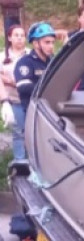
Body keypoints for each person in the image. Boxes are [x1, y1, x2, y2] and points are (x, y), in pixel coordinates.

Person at [15, 22, 57, 111]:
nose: (51, 46)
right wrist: (50, 90)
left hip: (52, 109)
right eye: (47, 42)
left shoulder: (54, 61)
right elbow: (24, 87)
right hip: (32, 111)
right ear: (35, 43)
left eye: (53, 42)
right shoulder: (25, 62)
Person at [1, 24, 28, 161]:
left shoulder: (30, 55)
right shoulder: (2, 57)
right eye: (16, 35)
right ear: (10, 38)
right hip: (13, 100)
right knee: (18, 132)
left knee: (31, 131)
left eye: (22, 35)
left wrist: (11, 81)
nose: (19, 38)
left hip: (29, 100)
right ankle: (20, 161)